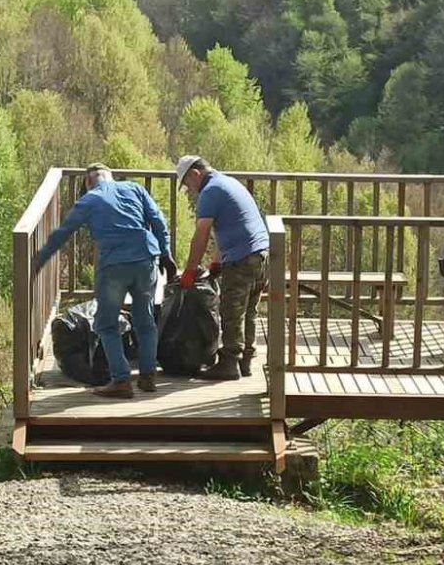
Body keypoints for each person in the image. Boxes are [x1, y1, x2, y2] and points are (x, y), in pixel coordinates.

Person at [35, 164, 177, 398]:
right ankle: (148, 375)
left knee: (106, 324)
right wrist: (166, 253)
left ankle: (121, 380)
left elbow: (64, 232)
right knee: (145, 320)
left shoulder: (89, 200)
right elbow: (159, 221)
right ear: (111, 177)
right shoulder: (135, 189)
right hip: (146, 259)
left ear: (89, 182)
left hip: (114, 267)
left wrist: (40, 259)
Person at [176, 156, 269, 381]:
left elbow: (202, 234)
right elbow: (230, 228)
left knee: (231, 312)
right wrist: (217, 261)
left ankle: (229, 363)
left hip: (242, 259)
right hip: (262, 254)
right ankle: (245, 361)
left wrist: (190, 270)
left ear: (195, 174)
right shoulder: (228, 182)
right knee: (248, 311)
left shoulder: (210, 192)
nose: (190, 190)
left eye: (188, 184)